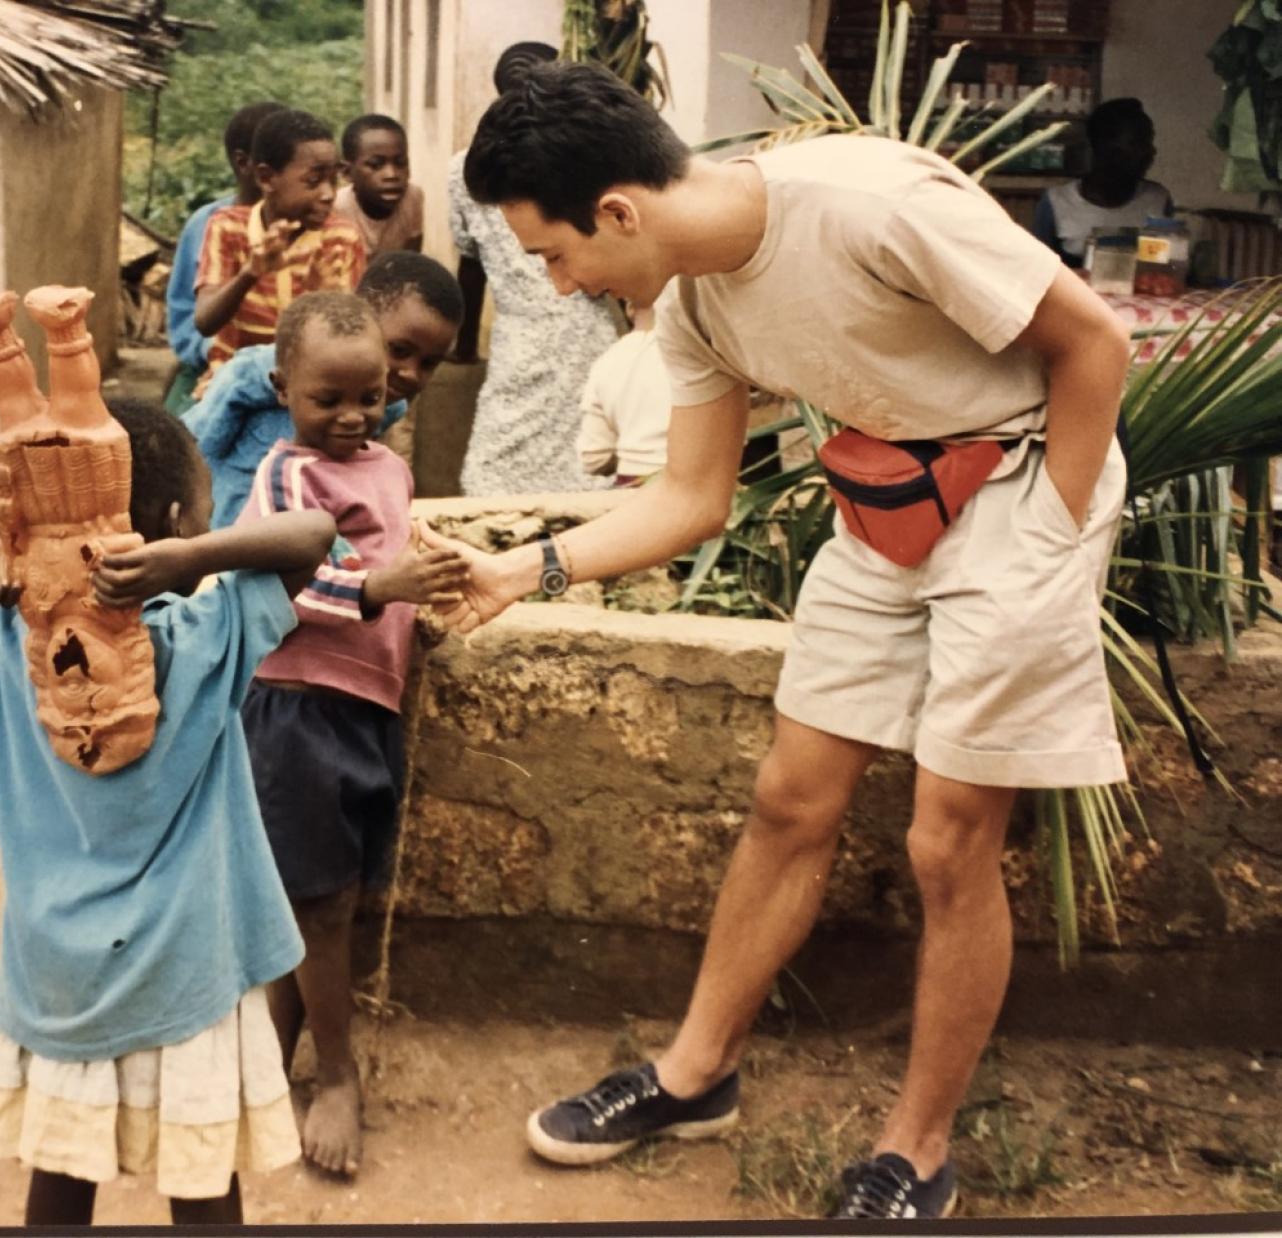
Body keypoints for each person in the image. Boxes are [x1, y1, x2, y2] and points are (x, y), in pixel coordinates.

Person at [420, 62, 1132, 1219]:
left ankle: (916, 1146)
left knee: (950, 839)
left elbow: (1093, 340)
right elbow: (692, 496)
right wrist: (521, 567)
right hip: (887, 498)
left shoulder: (866, 203)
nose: (556, 288)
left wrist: (1050, 531)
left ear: (618, 211)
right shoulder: (696, 300)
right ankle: (695, 1073)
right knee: (790, 798)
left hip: (1022, 483)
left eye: (553, 256)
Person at [0, 399, 337, 1226]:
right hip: (184, 970)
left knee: (59, 1182)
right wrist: (184, 558)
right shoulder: (200, 636)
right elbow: (312, 533)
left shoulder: (18, 627)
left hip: (59, 975)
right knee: (202, 1186)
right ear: (169, 523)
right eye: (201, 513)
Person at [234, 292, 469, 1179]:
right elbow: (285, 584)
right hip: (299, 707)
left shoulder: (390, 468)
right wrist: (384, 587)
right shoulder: (287, 477)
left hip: (367, 706)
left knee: (325, 892)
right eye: (326, 398)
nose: (352, 416)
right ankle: (337, 1076)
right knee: (321, 905)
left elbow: (395, 552)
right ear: (282, 386)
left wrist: (429, 577)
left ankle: (268, 1055)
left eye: (368, 395)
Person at [185, 251, 464, 530]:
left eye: (428, 363)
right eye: (399, 350)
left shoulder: (391, 405)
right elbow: (196, 439)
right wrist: (193, 501)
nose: (410, 373)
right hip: (234, 524)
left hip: (310, 530)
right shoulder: (280, 367)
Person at [449, 42, 619, 496]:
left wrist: (465, 348)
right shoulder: (582, 164)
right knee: (577, 454)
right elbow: (471, 263)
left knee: (502, 459)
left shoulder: (465, 170)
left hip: (548, 334)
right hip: (565, 330)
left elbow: (471, 266)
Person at [193, 109, 367, 399]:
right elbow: (205, 321)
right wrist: (250, 272)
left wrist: (321, 301)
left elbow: (350, 342)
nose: (327, 194)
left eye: (333, 180)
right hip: (233, 380)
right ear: (266, 178)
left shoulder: (342, 238)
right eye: (313, 181)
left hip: (308, 384)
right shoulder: (227, 227)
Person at [163, 100, 286, 415]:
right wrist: (212, 352)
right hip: (215, 365)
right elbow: (185, 314)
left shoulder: (307, 229)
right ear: (244, 164)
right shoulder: (208, 224)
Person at [1032, 98, 1174, 266]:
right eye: (1137, 143)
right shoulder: (1056, 203)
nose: (1150, 151)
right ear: (1103, 147)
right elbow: (1038, 271)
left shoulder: (1158, 201)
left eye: (1149, 142)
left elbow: (1165, 271)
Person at [576, 303, 671, 486]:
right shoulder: (698, 349)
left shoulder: (606, 361)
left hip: (631, 484)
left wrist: (635, 454)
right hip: (696, 484)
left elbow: (593, 458)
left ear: (629, 308)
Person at [335, 114, 425, 260]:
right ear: (347, 172)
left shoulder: (412, 197)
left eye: (400, 163)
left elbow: (411, 258)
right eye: (376, 165)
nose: (391, 174)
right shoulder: (337, 209)